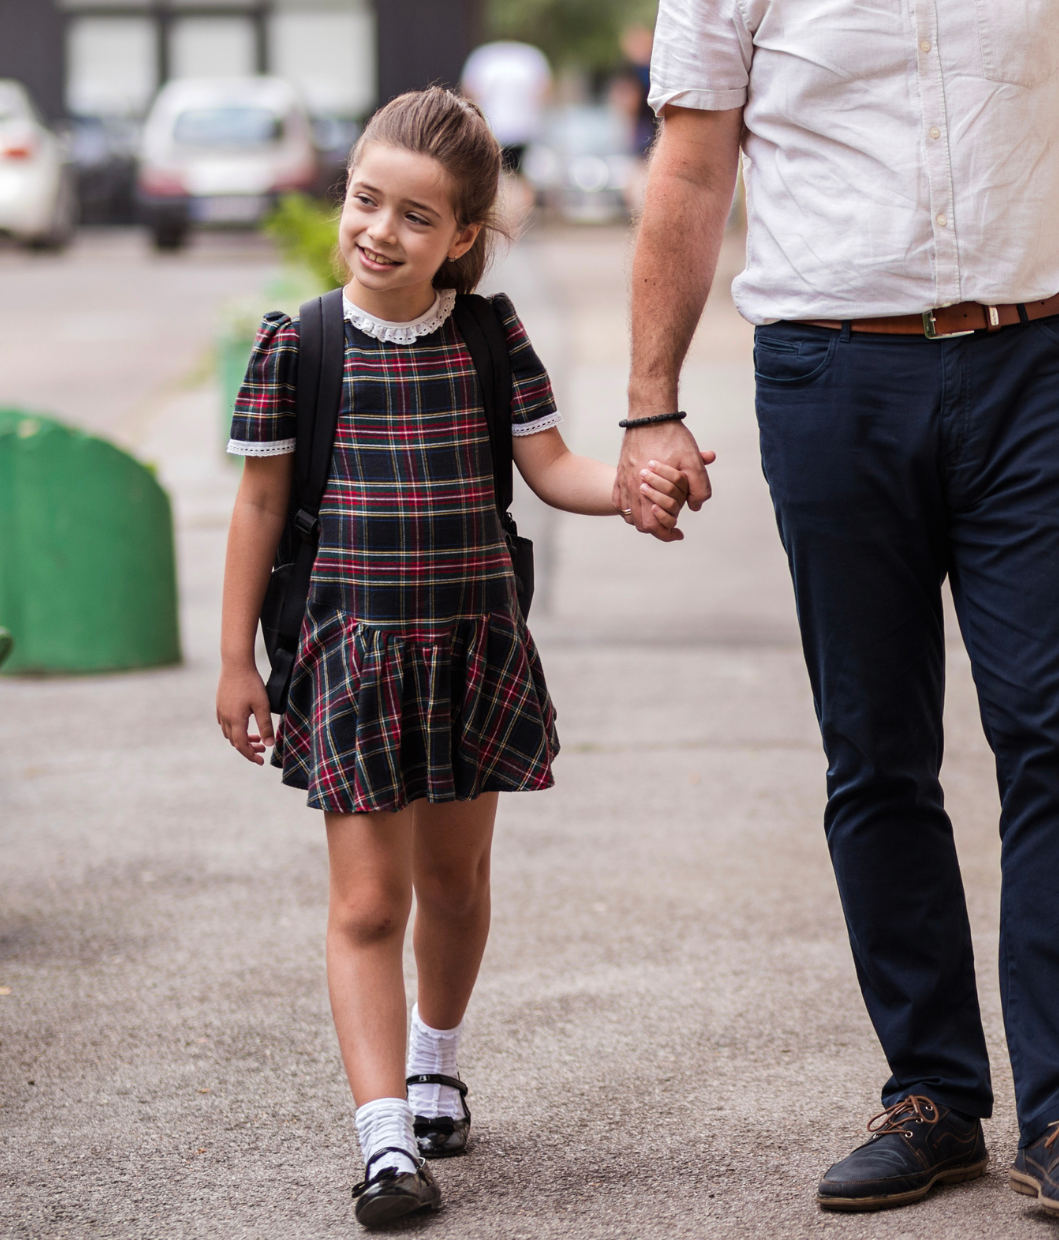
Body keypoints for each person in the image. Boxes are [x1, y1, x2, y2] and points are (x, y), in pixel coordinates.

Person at [618, 2, 1059, 1230]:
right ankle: (932, 1094)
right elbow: (689, 165)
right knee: (876, 750)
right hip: (827, 376)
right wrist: (649, 403)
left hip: (1033, 365)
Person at [214, 88, 702, 1228]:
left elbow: (552, 466)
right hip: (352, 664)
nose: (379, 230)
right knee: (367, 903)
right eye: (365, 200)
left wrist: (632, 490)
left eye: (416, 216)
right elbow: (260, 506)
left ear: (464, 235)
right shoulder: (300, 345)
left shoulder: (490, 337)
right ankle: (385, 1138)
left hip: (471, 651)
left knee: (454, 884)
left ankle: (436, 1064)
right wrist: (235, 661)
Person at [460, 40, 552, 172]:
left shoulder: (482, 57)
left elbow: (468, 92)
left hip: (508, 131)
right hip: (506, 131)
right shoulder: (532, 57)